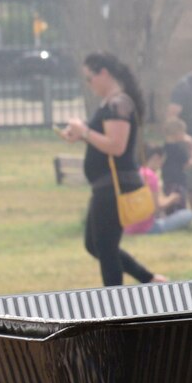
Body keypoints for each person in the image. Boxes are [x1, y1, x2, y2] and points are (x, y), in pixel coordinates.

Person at [60, 52, 166, 287]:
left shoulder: (119, 104)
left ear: (104, 73)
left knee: (105, 248)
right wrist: (81, 133)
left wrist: (85, 132)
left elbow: (116, 146)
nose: (89, 84)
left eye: (90, 78)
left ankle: (116, 303)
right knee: (95, 244)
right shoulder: (110, 104)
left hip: (114, 186)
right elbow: (105, 141)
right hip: (105, 186)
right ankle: (148, 278)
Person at [158, 118, 192, 227]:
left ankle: (170, 218)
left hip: (167, 179)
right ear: (178, 133)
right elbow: (187, 164)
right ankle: (179, 222)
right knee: (179, 201)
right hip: (178, 179)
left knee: (170, 199)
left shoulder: (164, 146)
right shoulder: (179, 148)